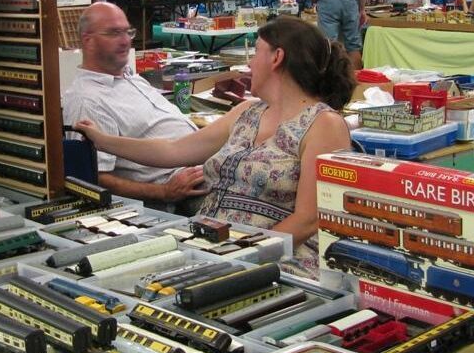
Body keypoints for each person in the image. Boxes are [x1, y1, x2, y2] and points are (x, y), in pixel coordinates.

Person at [74, 16, 354, 270]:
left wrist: (245, 255)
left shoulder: (323, 125)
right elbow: (173, 150)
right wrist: (104, 141)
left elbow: (308, 219)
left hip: (275, 261)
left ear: (277, 57)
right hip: (209, 246)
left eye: (256, 51)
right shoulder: (248, 112)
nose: (250, 62)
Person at [62, 2, 207, 211]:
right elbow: (97, 177)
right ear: (88, 41)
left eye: (127, 32)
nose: (125, 41)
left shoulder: (129, 76)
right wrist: (164, 192)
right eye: (113, 33)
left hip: (202, 162)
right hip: (186, 188)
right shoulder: (88, 100)